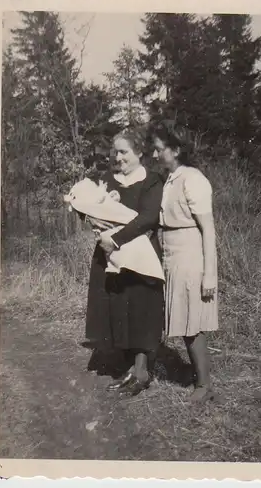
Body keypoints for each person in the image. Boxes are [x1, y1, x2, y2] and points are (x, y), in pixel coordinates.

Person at [85, 127, 164, 396]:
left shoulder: (152, 180)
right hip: (110, 256)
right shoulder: (108, 178)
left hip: (140, 257)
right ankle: (128, 366)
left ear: (139, 152)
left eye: (124, 152)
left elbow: (148, 218)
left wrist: (116, 238)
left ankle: (141, 370)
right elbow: (93, 210)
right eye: (114, 151)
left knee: (141, 308)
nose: (118, 157)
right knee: (119, 307)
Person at [151, 120, 218, 402]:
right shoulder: (170, 179)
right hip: (171, 254)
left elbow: (208, 229)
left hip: (190, 255)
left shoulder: (194, 179)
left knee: (193, 322)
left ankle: (204, 385)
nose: (155, 155)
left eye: (159, 150)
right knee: (184, 319)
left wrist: (209, 274)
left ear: (175, 149)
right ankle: (196, 376)